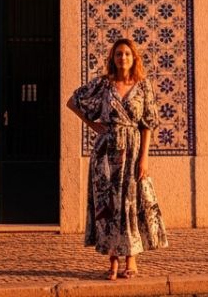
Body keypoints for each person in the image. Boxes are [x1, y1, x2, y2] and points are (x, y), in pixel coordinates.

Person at [66, 37, 168, 279]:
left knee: (131, 204)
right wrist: (93, 125)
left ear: (134, 58)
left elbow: (147, 125)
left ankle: (131, 259)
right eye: (118, 54)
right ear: (113, 58)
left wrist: (144, 158)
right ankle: (112, 261)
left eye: (127, 54)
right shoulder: (103, 84)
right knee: (109, 206)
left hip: (133, 150)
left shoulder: (144, 86)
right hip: (106, 152)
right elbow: (72, 102)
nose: (122, 58)